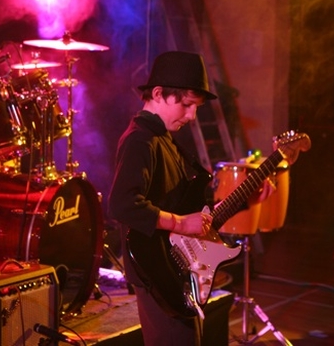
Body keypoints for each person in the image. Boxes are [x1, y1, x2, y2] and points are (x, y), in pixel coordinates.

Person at [107, 51, 273, 346]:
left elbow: (197, 217)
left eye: (194, 107)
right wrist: (182, 224)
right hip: (155, 269)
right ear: (158, 94)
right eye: (185, 105)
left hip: (175, 266)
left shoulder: (165, 140)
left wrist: (249, 200)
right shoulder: (140, 140)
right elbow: (122, 204)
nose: (191, 116)